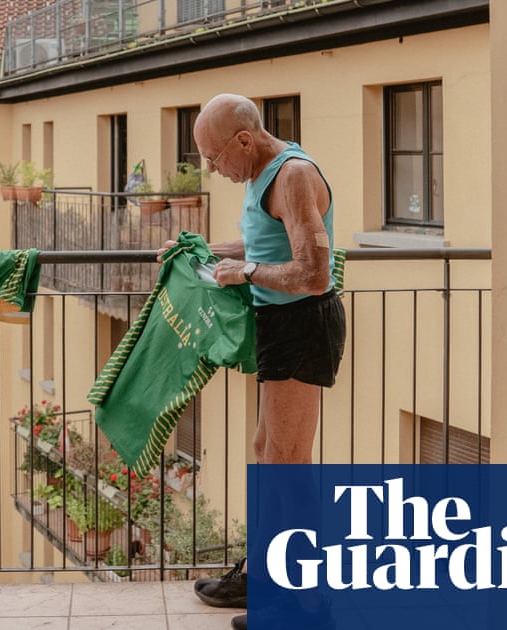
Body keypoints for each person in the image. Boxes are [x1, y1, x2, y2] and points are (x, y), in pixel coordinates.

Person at [160, 93, 345, 630]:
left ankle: (307, 608)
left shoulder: (293, 176)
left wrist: (244, 274)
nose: (213, 171)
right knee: (269, 453)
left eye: (215, 159)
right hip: (280, 327)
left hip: (302, 325)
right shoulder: (262, 175)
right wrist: (202, 252)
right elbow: (263, 242)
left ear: (245, 140)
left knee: (289, 466)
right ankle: (265, 577)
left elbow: (313, 274)